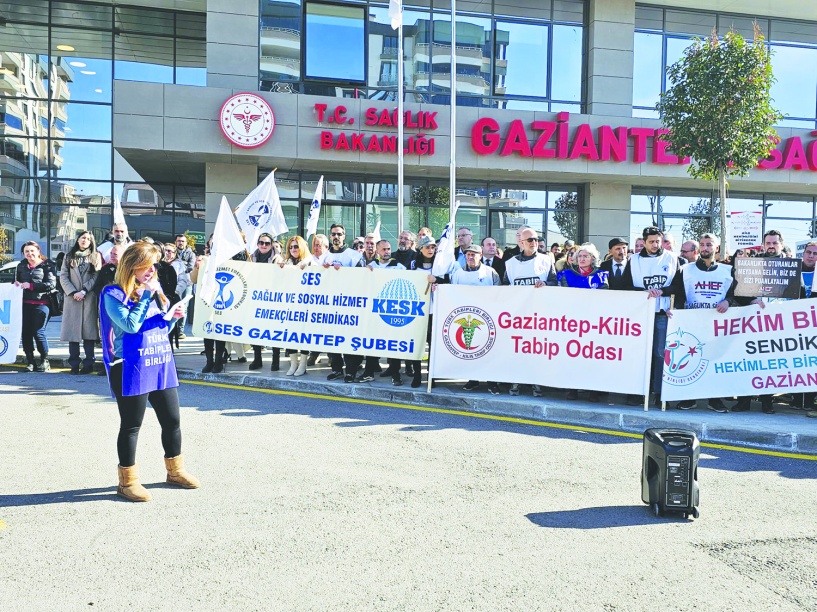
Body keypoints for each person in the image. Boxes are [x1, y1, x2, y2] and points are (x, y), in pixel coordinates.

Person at [99, 241, 199, 502]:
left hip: (158, 361)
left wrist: (174, 316)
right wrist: (146, 294)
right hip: (130, 366)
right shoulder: (112, 294)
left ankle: (175, 471)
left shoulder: (152, 291)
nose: (152, 271)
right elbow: (131, 326)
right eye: (147, 266)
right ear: (132, 267)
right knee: (132, 425)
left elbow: (157, 331)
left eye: (154, 266)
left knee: (172, 420)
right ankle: (127, 481)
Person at [667, 233, 734, 413]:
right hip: (692, 323)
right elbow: (678, 293)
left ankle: (715, 399)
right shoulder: (685, 269)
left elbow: (736, 294)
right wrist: (675, 312)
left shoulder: (727, 270)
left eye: (709, 245)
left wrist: (728, 301)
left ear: (716, 248)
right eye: (702, 245)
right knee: (691, 359)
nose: (705, 248)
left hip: (717, 324)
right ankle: (690, 398)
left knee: (716, 361)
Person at [621, 226, 681, 407]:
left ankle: (659, 392)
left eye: (658, 241)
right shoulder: (634, 260)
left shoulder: (672, 258)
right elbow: (625, 286)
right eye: (651, 241)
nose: (655, 245)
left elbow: (678, 286)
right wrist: (643, 291)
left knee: (661, 354)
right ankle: (638, 391)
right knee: (640, 354)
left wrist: (662, 291)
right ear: (644, 242)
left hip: (662, 312)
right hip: (641, 313)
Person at [503, 227, 556, 397]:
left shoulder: (546, 260)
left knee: (537, 350)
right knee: (518, 349)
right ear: (521, 242)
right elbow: (505, 287)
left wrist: (546, 285)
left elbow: (555, 282)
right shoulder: (510, 264)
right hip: (518, 315)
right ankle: (516, 382)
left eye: (535, 239)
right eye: (530, 240)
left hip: (539, 315)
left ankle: (536, 383)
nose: (534, 243)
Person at [447, 244, 502, 395]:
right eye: (468, 255)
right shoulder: (457, 274)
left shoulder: (491, 273)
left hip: (487, 318)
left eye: (474, 255)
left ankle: (492, 382)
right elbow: (452, 293)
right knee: (471, 349)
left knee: (489, 350)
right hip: (466, 317)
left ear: (480, 256)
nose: (470, 257)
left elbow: (499, 293)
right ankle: (473, 380)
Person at [558, 243, 608, 402]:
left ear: (593, 259)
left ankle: (593, 390)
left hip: (594, 322)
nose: (581, 258)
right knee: (572, 354)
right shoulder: (564, 275)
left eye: (585, 256)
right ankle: (572, 388)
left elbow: (608, 298)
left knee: (593, 355)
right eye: (579, 256)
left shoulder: (601, 276)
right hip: (572, 322)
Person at [356, 240, 405, 385]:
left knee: (393, 342)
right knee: (372, 342)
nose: (387, 252)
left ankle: (395, 373)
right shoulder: (370, 267)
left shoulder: (399, 267)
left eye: (389, 249)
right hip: (374, 311)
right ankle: (369, 372)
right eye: (383, 249)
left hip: (392, 312)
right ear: (377, 251)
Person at [322, 223, 363, 381]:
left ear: (344, 236)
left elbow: (361, 278)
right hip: (329, 305)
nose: (336, 237)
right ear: (330, 236)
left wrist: (344, 271)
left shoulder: (354, 255)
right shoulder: (325, 255)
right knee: (331, 338)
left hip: (349, 304)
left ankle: (351, 370)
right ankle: (337, 368)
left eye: (339, 234)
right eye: (333, 234)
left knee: (348, 338)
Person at [60, 232, 102, 374]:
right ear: (78, 239)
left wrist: (84, 291)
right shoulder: (68, 256)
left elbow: (97, 276)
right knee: (73, 334)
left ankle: (89, 363)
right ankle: (74, 363)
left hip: (88, 297)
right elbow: (63, 276)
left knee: (88, 333)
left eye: (88, 239)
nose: (85, 240)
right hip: (72, 299)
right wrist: (73, 292)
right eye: (83, 238)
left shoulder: (95, 256)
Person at [15, 241, 57, 372]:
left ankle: (44, 360)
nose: (30, 253)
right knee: (26, 333)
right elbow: (15, 281)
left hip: (42, 303)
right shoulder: (21, 266)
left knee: (38, 332)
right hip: (25, 304)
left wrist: (31, 286)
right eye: (27, 251)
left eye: (32, 251)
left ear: (38, 251)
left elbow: (51, 284)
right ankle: (30, 360)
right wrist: (16, 284)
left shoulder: (48, 265)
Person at [278, 235, 314, 377]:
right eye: (291, 247)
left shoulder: (310, 262)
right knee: (289, 334)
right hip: (289, 305)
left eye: (296, 246)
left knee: (304, 334)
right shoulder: (285, 263)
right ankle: (293, 363)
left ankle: (303, 364)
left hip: (306, 305)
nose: (293, 249)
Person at [173, 234, 195, 338]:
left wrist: (179, 266)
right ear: (175, 242)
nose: (180, 243)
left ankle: (180, 331)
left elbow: (191, 267)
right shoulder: (172, 252)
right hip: (174, 282)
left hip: (187, 283)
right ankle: (173, 328)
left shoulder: (191, 254)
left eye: (182, 241)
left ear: (186, 243)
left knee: (184, 307)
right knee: (174, 305)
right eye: (178, 241)